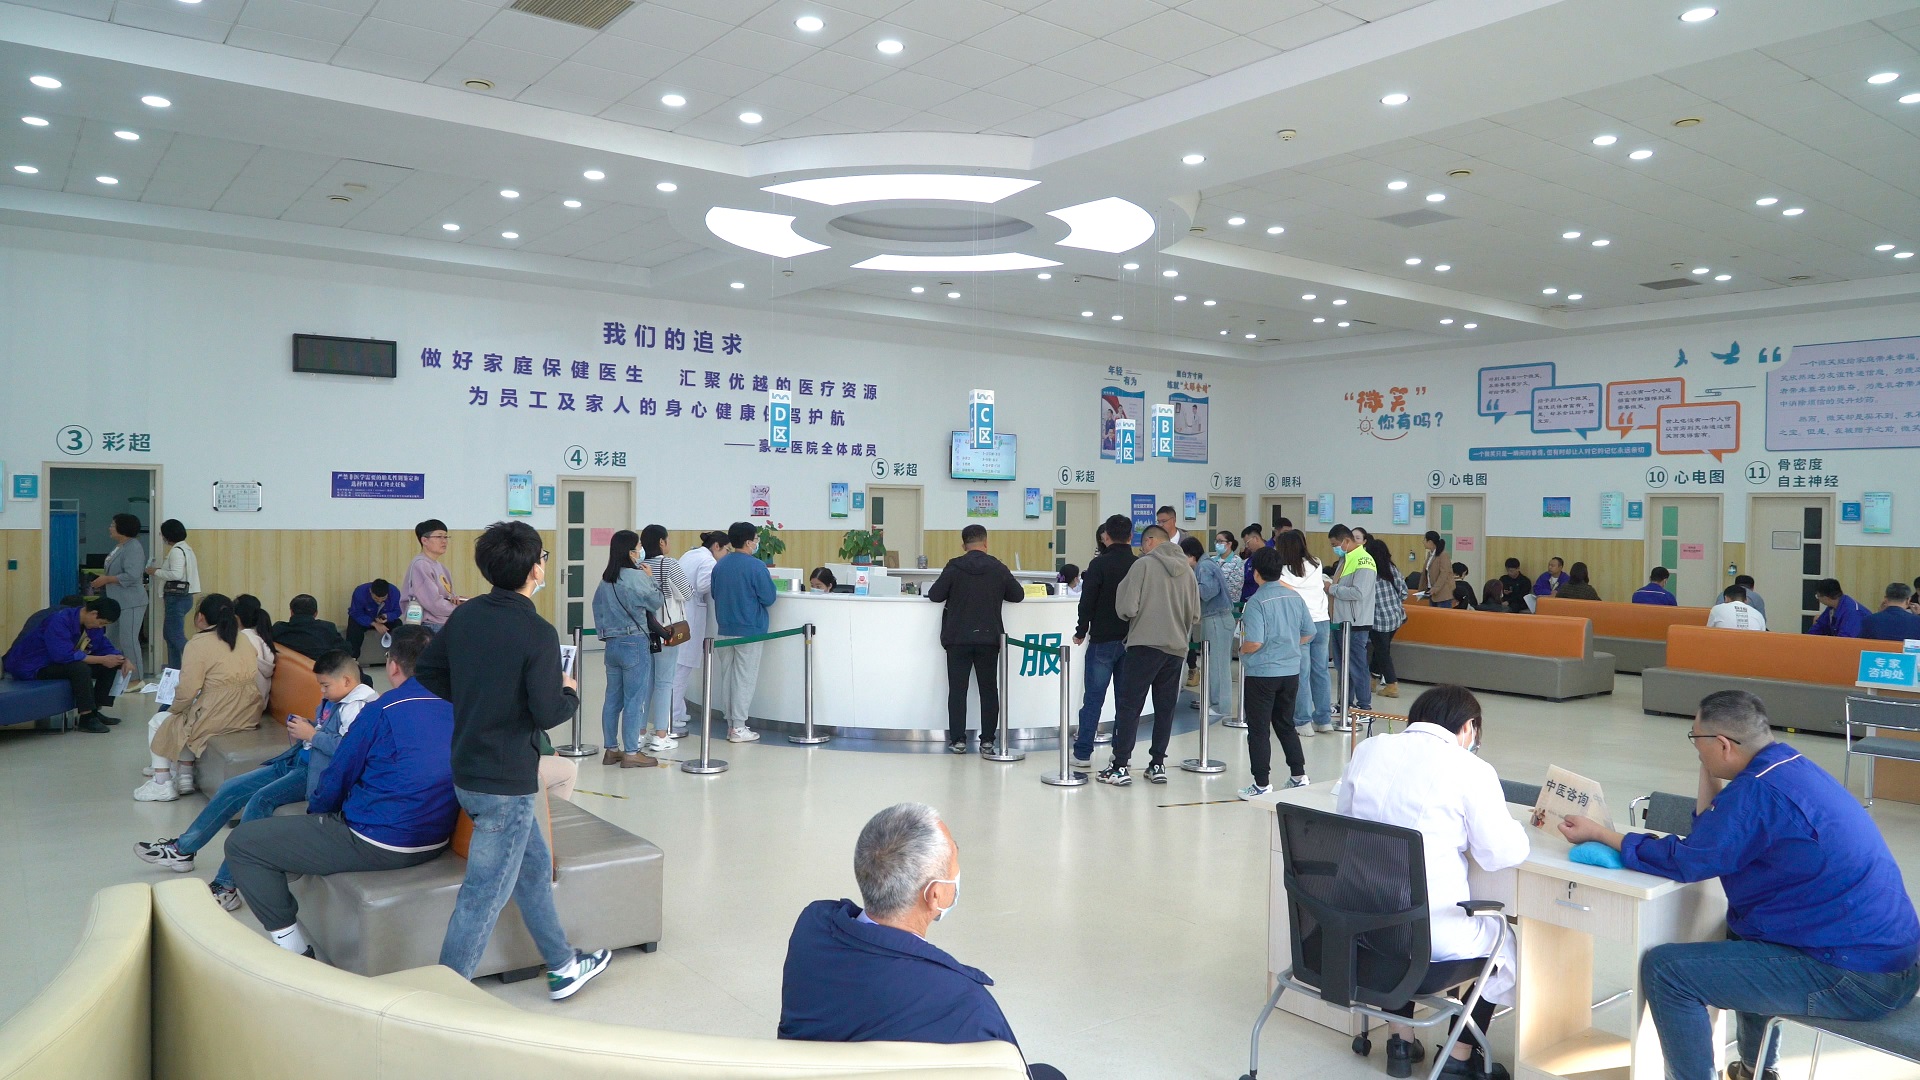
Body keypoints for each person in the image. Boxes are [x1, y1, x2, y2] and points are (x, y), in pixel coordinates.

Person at [1560, 691, 1920, 1080]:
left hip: (1857, 977)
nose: (1694, 748)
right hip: (1890, 960)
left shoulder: (1757, 793)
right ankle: (1756, 1070)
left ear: (1724, 744)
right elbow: (1710, 834)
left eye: (1696, 739)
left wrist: (1600, 833)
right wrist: (1708, 765)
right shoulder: (1788, 767)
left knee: (1667, 972)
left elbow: (1688, 861)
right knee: (1743, 933)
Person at [412, 520, 611, 997]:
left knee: (533, 870)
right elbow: (547, 712)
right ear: (534, 569)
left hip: (469, 769)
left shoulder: (467, 615)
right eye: (543, 559)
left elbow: (428, 670)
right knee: (482, 898)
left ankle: (563, 964)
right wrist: (570, 692)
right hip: (505, 786)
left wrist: (477, 699)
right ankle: (444, 1003)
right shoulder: (536, 632)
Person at [777, 803, 1066, 1080]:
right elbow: (1011, 1070)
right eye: (955, 857)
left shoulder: (811, 928)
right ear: (934, 894)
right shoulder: (963, 1001)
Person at [224, 625, 460, 960]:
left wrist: (318, 814)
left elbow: (339, 774)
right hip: (435, 839)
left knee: (243, 844)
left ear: (393, 666)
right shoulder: (461, 706)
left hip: (376, 839)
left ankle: (293, 949)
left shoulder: (381, 710)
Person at [1339, 685, 1529, 1080]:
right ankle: (1458, 1058)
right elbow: (1500, 853)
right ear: (1468, 727)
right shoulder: (1470, 768)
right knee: (1503, 943)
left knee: (1397, 919)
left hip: (1364, 923)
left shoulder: (1368, 750)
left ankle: (1401, 1041)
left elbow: (1345, 823)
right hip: (1432, 935)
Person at [136, 645, 376, 910]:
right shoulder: (337, 698)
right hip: (298, 761)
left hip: (315, 774)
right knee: (232, 787)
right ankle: (183, 849)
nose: (321, 691)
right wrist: (308, 728)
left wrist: (312, 735)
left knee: (259, 801)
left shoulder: (361, 707)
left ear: (347, 681)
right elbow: (327, 732)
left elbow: (350, 751)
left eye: (325, 686)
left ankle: (226, 886)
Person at [1097, 525, 1200, 787]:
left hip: (1144, 645)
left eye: (1143, 543)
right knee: (1165, 709)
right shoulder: (1188, 571)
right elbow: (1195, 614)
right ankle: (1157, 765)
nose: (1142, 548)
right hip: (1176, 648)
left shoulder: (1143, 566)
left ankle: (1120, 766)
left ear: (1151, 541)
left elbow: (1127, 607)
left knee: (1130, 706)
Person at [138, 594, 268, 801]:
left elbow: (187, 690)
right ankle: (185, 776)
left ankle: (161, 783)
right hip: (248, 712)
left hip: (218, 714)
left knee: (162, 721)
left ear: (200, 617)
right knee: (188, 719)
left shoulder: (198, 644)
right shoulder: (242, 638)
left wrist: (175, 709)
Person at [927, 524, 1025, 755]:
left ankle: (958, 740)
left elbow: (935, 595)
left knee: (957, 691)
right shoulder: (998, 567)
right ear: (986, 543)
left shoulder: (954, 567)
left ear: (964, 545)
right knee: (989, 690)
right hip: (989, 639)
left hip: (957, 638)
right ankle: (988, 741)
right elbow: (1018, 595)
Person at [1237, 547, 1316, 799]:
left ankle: (1261, 783)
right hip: (1290, 672)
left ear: (1256, 573)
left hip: (1262, 674)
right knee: (1285, 724)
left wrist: (1241, 649)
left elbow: (1254, 641)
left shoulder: (1256, 602)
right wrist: (1289, 645)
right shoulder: (1294, 597)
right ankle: (1298, 776)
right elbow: (1309, 632)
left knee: (1259, 729)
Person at [592, 529, 665, 767]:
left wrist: (606, 634)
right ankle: (632, 752)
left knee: (612, 699)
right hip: (634, 642)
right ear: (631, 552)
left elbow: (597, 608)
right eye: (639, 547)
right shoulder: (636, 577)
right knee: (634, 699)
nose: (641, 551)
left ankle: (611, 749)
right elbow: (656, 601)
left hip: (612, 644)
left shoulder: (606, 580)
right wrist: (651, 578)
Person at [2, 596, 126, 733]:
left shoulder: (91, 625)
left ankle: (94, 711)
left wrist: (121, 659)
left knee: (111, 664)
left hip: (56, 662)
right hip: (34, 666)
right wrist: (102, 659)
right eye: (101, 623)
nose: (100, 627)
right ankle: (86, 717)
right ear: (93, 613)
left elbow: (102, 645)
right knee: (80, 668)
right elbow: (63, 656)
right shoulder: (59, 620)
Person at [1070, 515, 1137, 769]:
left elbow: (1087, 601)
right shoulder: (1139, 564)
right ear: (1131, 537)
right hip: (1132, 640)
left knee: (1093, 700)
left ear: (1106, 536)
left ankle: (1082, 753)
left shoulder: (1098, 565)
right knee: (1126, 701)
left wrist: (1081, 630)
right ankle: (1121, 755)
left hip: (1102, 640)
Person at [710, 521, 777, 744]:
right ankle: (739, 727)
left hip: (724, 628)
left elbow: (714, 594)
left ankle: (731, 725)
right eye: (756, 539)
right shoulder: (756, 567)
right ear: (748, 542)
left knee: (728, 678)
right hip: (750, 630)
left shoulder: (720, 565)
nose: (757, 543)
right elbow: (768, 597)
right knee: (743, 679)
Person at [1275, 530, 1333, 736]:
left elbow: (1286, 587)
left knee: (1302, 674)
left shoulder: (1283, 571)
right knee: (1321, 671)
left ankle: (1303, 721)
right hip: (1322, 621)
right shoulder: (1316, 563)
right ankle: (1324, 720)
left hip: (1300, 624)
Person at [638, 525, 690, 755]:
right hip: (666, 630)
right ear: (661, 542)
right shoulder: (669, 564)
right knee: (664, 682)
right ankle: (661, 734)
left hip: (643, 629)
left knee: (645, 683)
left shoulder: (639, 566)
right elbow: (687, 593)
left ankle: (639, 733)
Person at [672, 530, 728, 735]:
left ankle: (678, 711)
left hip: (679, 614)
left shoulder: (691, 554)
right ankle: (672, 714)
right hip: (690, 616)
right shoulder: (708, 561)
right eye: (726, 549)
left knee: (678, 667)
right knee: (682, 668)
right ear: (716, 546)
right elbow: (704, 585)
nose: (726, 554)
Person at [91, 513, 148, 689]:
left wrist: (107, 579)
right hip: (116, 602)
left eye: (113, 525)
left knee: (128, 640)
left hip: (131, 602)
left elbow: (132, 575)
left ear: (123, 528)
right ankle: (114, 675)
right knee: (111, 639)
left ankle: (136, 679)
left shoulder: (133, 547)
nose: (110, 528)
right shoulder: (119, 547)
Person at [1327, 524, 1376, 724]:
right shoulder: (1345, 558)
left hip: (1355, 623)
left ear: (1346, 541)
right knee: (1343, 666)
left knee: (1357, 666)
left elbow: (1358, 592)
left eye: (1335, 544)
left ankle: (1365, 707)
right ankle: (1345, 703)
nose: (1334, 548)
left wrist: (1331, 588)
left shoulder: (1364, 560)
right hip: (1340, 621)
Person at [1187, 536, 1235, 720]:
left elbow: (1207, 592)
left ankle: (1221, 706)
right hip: (1213, 618)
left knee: (1218, 665)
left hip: (1217, 619)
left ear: (1190, 556)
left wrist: (1188, 587)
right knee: (1211, 664)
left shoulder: (1204, 567)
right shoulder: (1205, 564)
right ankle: (1212, 700)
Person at [148, 518, 200, 671]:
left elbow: (176, 575)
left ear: (168, 535)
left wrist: (155, 571)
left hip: (177, 599)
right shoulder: (186, 549)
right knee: (170, 636)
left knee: (175, 636)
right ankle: (174, 671)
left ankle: (198, 663)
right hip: (183, 598)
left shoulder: (176, 551)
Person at [401, 518, 461, 629]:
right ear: (424, 540)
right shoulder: (421, 564)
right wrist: (460, 609)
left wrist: (457, 601)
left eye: (446, 537)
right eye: (439, 537)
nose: (444, 541)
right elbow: (433, 603)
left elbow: (448, 596)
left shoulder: (442, 567)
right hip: (429, 625)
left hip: (444, 622)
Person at [1368, 539, 1407, 699]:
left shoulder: (1369, 572)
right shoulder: (1392, 568)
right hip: (1396, 617)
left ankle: (1391, 685)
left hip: (1379, 619)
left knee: (1382, 652)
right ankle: (1372, 680)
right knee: (1381, 649)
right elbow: (1404, 592)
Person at [272, 594, 348, 659]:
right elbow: (346, 650)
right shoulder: (327, 628)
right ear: (316, 613)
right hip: (320, 670)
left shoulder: (278, 629)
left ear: (291, 612)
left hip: (286, 671)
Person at [344, 578, 403, 660]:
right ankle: (352, 658)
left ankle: (398, 657)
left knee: (398, 625)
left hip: (384, 620)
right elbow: (355, 612)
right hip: (365, 619)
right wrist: (374, 623)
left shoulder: (395, 592)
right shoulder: (360, 592)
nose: (380, 601)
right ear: (370, 591)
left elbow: (398, 610)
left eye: (383, 598)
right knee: (353, 623)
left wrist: (387, 616)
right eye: (376, 598)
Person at [233, 593, 277, 702]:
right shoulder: (259, 637)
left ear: (236, 618)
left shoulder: (242, 639)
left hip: (246, 703)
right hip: (258, 701)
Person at [1421, 533, 1457, 609]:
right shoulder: (1430, 554)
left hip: (1443, 594)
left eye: (1424, 539)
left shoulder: (1443, 555)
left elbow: (1444, 573)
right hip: (1432, 592)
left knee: (1443, 615)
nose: (1423, 542)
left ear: (1430, 542)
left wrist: (1435, 588)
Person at [1239, 523, 1268, 602]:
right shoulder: (1251, 557)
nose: (1247, 546)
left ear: (1255, 538)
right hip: (1246, 599)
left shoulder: (1268, 556)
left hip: (1259, 599)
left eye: (1247, 543)